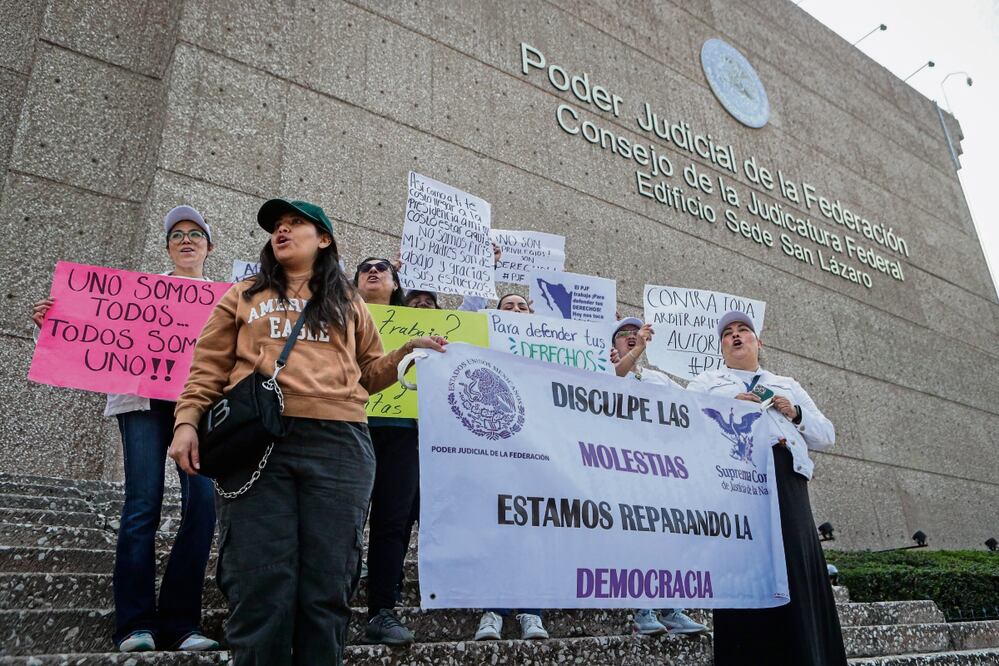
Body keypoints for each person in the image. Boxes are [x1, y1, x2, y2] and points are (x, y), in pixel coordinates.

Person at [168, 200, 446, 665]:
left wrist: (405, 354)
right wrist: (186, 422)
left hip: (340, 444)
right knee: (259, 584)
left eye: (295, 224)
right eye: (277, 226)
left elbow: (369, 375)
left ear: (324, 239)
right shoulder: (242, 294)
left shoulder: (350, 303)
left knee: (328, 586)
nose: (282, 231)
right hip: (255, 444)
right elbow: (208, 368)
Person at [32, 206, 219, 653]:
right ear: (168, 248)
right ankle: (135, 623)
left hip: (200, 404)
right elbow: (92, 332)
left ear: (209, 248)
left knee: (203, 506)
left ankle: (181, 623)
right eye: (177, 235)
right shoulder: (138, 294)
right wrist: (56, 324)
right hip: (141, 402)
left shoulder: (226, 299)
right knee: (142, 505)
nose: (186, 240)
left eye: (195, 234)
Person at [687, 311, 847, 665]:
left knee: (795, 565)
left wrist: (796, 414)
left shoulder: (787, 383)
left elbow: (827, 434)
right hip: (735, 476)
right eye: (728, 333)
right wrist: (727, 407)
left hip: (785, 474)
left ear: (758, 342)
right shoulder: (706, 382)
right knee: (744, 563)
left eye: (744, 330)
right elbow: (687, 420)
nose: (736, 335)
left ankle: (808, 654)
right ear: (722, 347)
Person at [609, 318, 709, 637]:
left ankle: (672, 607)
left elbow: (696, 407)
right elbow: (617, 376)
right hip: (622, 467)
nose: (631, 338)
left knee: (669, 538)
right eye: (624, 335)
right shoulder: (605, 370)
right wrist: (634, 352)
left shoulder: (658, 379)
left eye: (635, 334)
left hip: (663, 469)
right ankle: (643, 609)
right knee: (639, 536)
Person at [351, 257, 423, 645]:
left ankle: (382, 609)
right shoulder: (339, 316)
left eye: (383, 269)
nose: (374, 272)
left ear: (397, 283)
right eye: (365, 269)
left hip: (401, 433)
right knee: (343, 524)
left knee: (392, 523)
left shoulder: (420, 323)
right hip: (350, 429)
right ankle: (330, 605)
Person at [473, 290, 548, 642]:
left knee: (532, 531)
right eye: (507, 306)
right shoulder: (484, 343)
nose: (515, 310)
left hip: (539, 453)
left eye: (522, 306)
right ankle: (494, 610)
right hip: (494, 449)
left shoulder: (549, 353)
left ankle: (531, 611)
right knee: (496, 527)